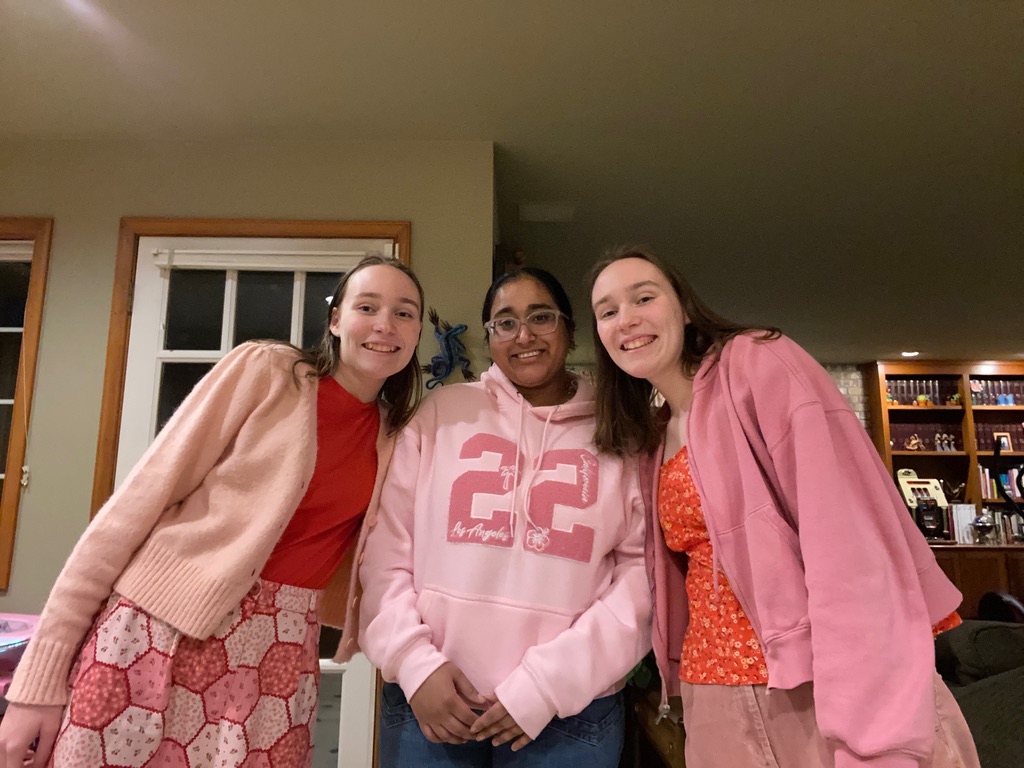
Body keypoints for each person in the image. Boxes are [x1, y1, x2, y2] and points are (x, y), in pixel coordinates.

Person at [0, 255, 425, 768]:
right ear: (335, 320)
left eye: (404, 313)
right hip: (155, 635)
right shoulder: (267, 372)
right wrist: (36, 686)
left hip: (281, 655)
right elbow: (132, 511)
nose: (385, 324)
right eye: (367, 306)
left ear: (418, 331)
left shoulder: (398, 435)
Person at [589, 246, 980, 768]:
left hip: (814, 687)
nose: (627, 319)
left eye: (643, 297)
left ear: (683, 307)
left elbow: (849, 542)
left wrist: (877, 732)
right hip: (714, 696)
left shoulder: (755, 362)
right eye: (608, 310)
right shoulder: (654, 436)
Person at [359, 267, 651, 767]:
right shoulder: (441, 413)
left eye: (541, 317)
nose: (525, 336)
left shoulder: (620, 430)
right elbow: (385, 551)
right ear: (489, 336)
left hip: (571, 713)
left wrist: (547, 684)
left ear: (570, 328)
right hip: (433, 700)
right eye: (505, 323)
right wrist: (413, 662)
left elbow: (641, 578)